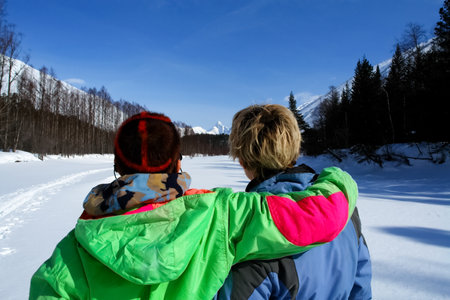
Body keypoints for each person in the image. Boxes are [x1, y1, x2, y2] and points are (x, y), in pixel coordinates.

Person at [29, 111, 358, 299]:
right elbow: (317, 216)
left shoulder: (73, 252)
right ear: (177, 164)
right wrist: (336, 179)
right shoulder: (220, 213)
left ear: (117, 165)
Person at [216, 104, 372, 299]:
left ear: (242, 160)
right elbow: (361, 287)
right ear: (295, 147)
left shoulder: (250, 234)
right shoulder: (343, 209)